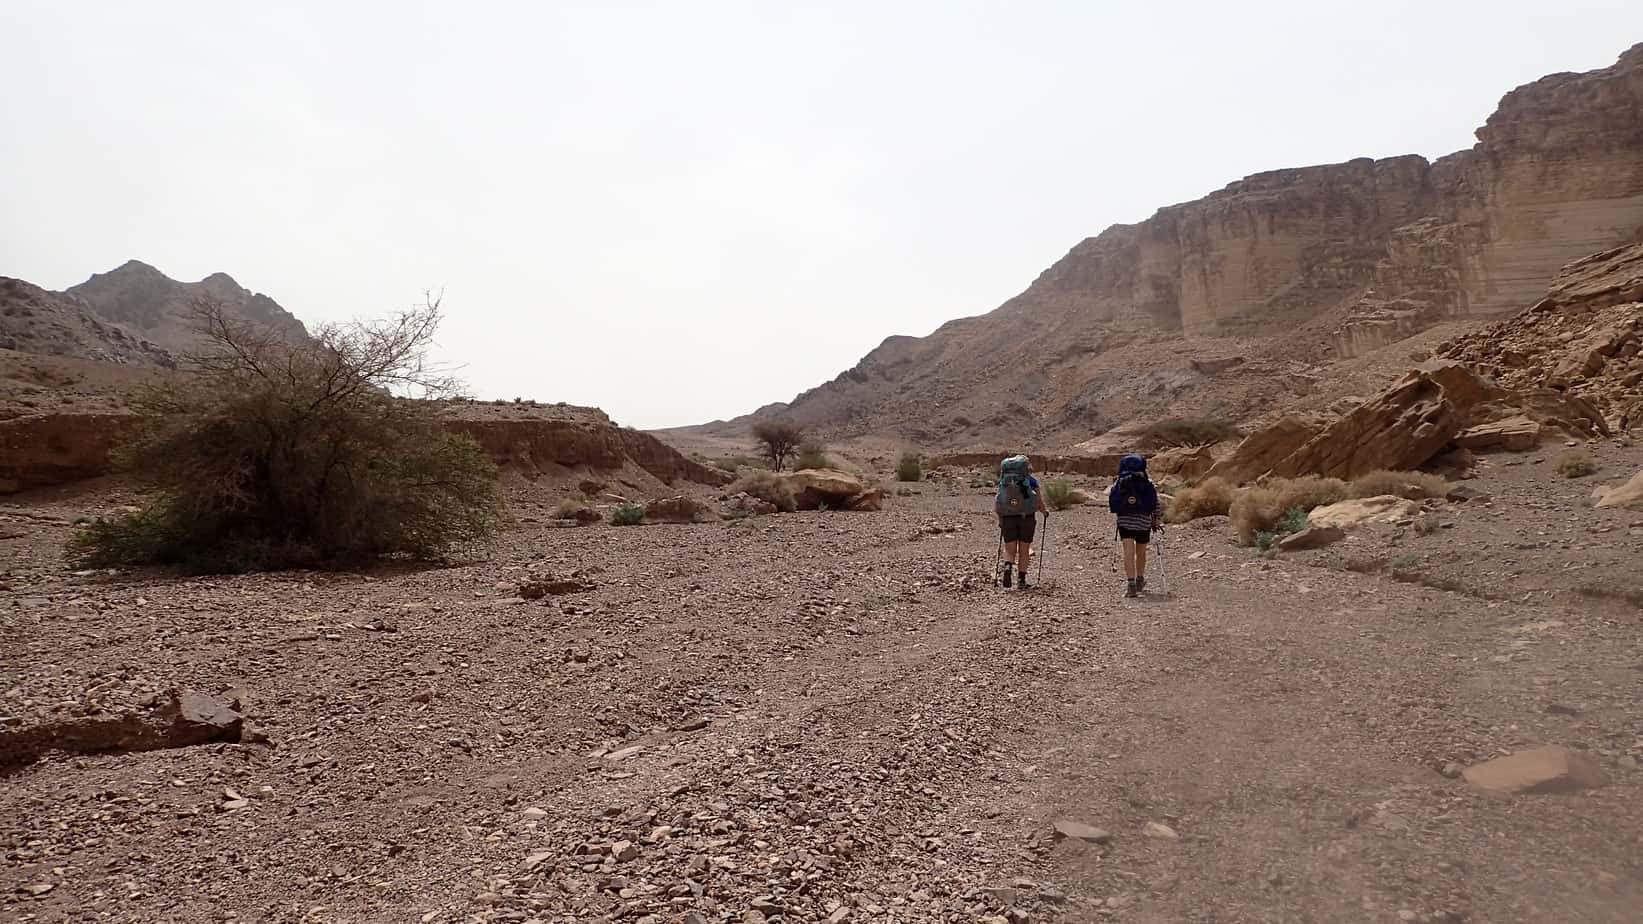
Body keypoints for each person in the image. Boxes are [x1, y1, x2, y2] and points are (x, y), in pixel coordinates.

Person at [1108, 453, 1161, 597]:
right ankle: (1140, 580)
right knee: (1141, 552)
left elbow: (1113, 500)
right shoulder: (1148, 482)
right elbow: (1156, 502)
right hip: (1143, 522)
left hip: (1125, 521)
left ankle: (1130, 584)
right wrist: (1156, 520)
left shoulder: (1119, 482)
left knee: (1128, 553)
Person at [995, 454, 1048, 589]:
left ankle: (1008, 567)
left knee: (1010, 549)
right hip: (1027, 518)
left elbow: (1000, 501)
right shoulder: (1031, 481)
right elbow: (1038, 502)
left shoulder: (1004, 482)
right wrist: (1044, 512)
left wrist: (1000, 519)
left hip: (1008, 517)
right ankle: (1021, 581)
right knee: (1024, 550)